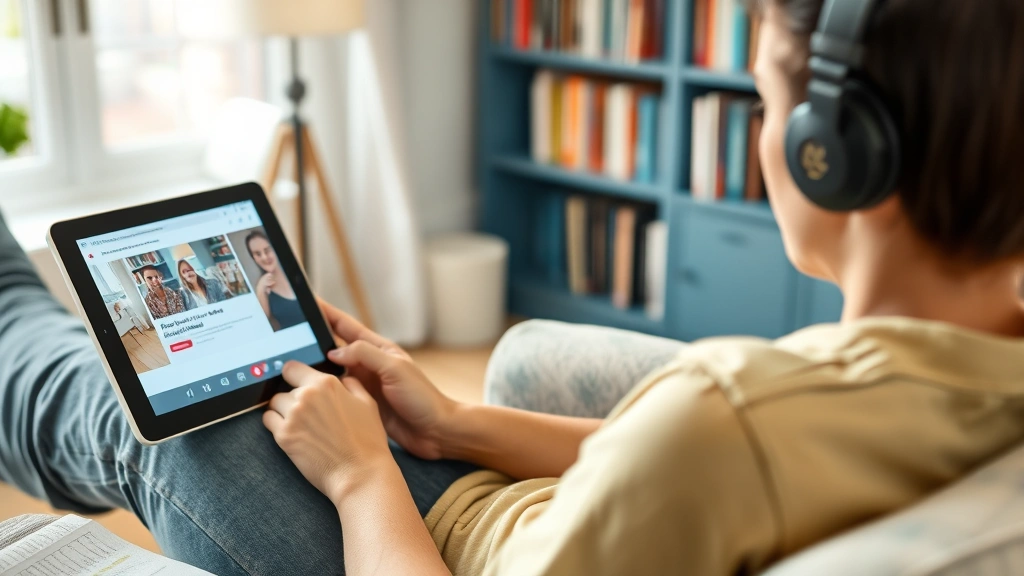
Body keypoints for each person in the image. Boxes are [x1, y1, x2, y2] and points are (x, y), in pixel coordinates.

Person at [1, 0, 1024, 574]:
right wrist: (446, 424)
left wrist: (363, 475)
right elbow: (702, 465)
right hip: (490, 503)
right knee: (251, 378)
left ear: (829, 158)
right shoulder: (965, 368)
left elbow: (709, 449)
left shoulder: (729, 416)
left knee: (169, 411)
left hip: (409, 545)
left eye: (764, 103)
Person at [244, 230, 304, 331]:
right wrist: (260, 290)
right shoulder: (262, 290)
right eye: (258, 254)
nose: (264, 257)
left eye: (267, 250)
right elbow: (261, 327)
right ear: (254, 258)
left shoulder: (295, 273)